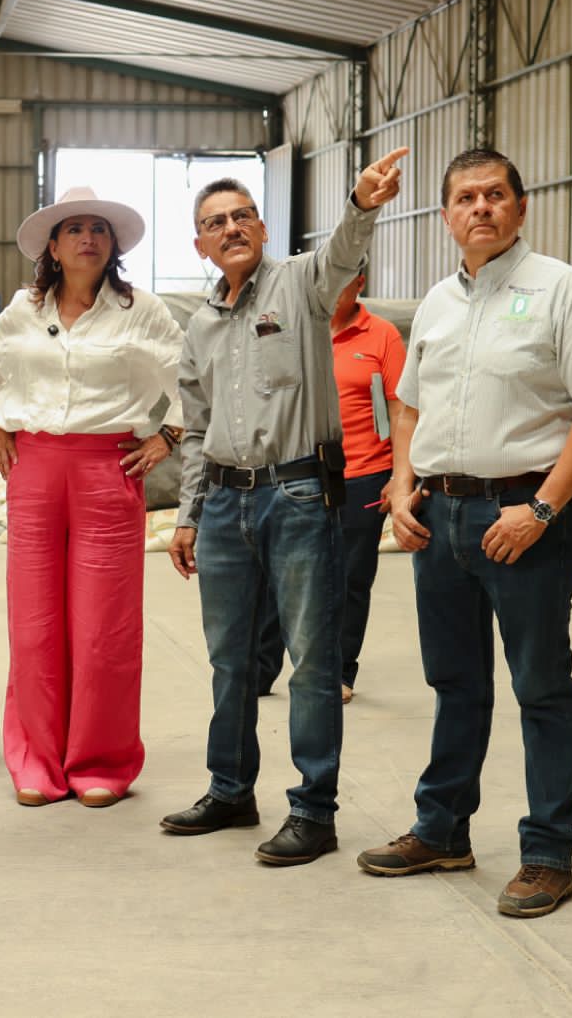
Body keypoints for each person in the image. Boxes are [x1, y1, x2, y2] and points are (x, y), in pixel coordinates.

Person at [356, 148, 572, 918]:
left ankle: (547, 853)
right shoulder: (438, 304)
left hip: (522, 519)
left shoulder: (560, 289)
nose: (481, 208)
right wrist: (402, 487)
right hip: (440, 519)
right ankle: (442, 830)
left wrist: (541, 510)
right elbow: (410, 406)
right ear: (445, 217)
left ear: (520, 207)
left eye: (495, 195)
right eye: (466, 198)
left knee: (541, 686)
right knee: (455, 684)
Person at [161, 148, 407, 865]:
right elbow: (197, 428)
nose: (231, 228)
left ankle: (314, 811)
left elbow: (343, 253)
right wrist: (187, 514)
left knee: (311, 661)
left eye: (242, 216)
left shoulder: (302, 285)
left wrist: (361, 205)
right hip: (224, 504)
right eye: (215, 222)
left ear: (263, 229)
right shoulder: (200, 326)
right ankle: (231, 789)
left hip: (298, 495)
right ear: (200, 245)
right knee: (231, 660)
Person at [0, 190, 181, 805]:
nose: (88, 237)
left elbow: (191, 378)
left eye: (99, 229)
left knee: (103, 628)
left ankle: (100, 760)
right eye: (75, 228)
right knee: (34, 626)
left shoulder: (142, 311)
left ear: (113, 245)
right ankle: (36, 758)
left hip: (107, 470)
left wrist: (167, 435)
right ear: (53, 248)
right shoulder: (23, 310)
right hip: (34, 471)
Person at [253, 267, 405, 704]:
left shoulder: (382, 336)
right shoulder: (288, 328)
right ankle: (260, 669)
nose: (331, 286)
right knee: (277, 575)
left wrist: (399, 477)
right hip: (296, 472)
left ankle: (338, 671)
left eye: (343, 276)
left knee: (350, 578)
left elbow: (400, 409)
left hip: (363, 474)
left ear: (360, 283)